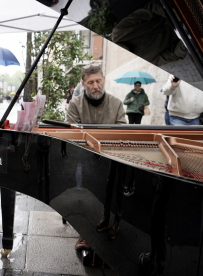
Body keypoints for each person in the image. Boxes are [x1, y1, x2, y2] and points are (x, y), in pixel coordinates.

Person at [66, 63, 127, 250]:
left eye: (98, 81)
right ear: (83, 84)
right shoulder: (75, 104)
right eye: (91, 82)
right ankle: (85, 231)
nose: (95, 86)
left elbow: (122, 133)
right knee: (82, 187)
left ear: (104, 80)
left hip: (111, 157)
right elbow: (73, 136)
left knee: (117, 183)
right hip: (85, 159)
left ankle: (114, 220)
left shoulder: (116, 103)